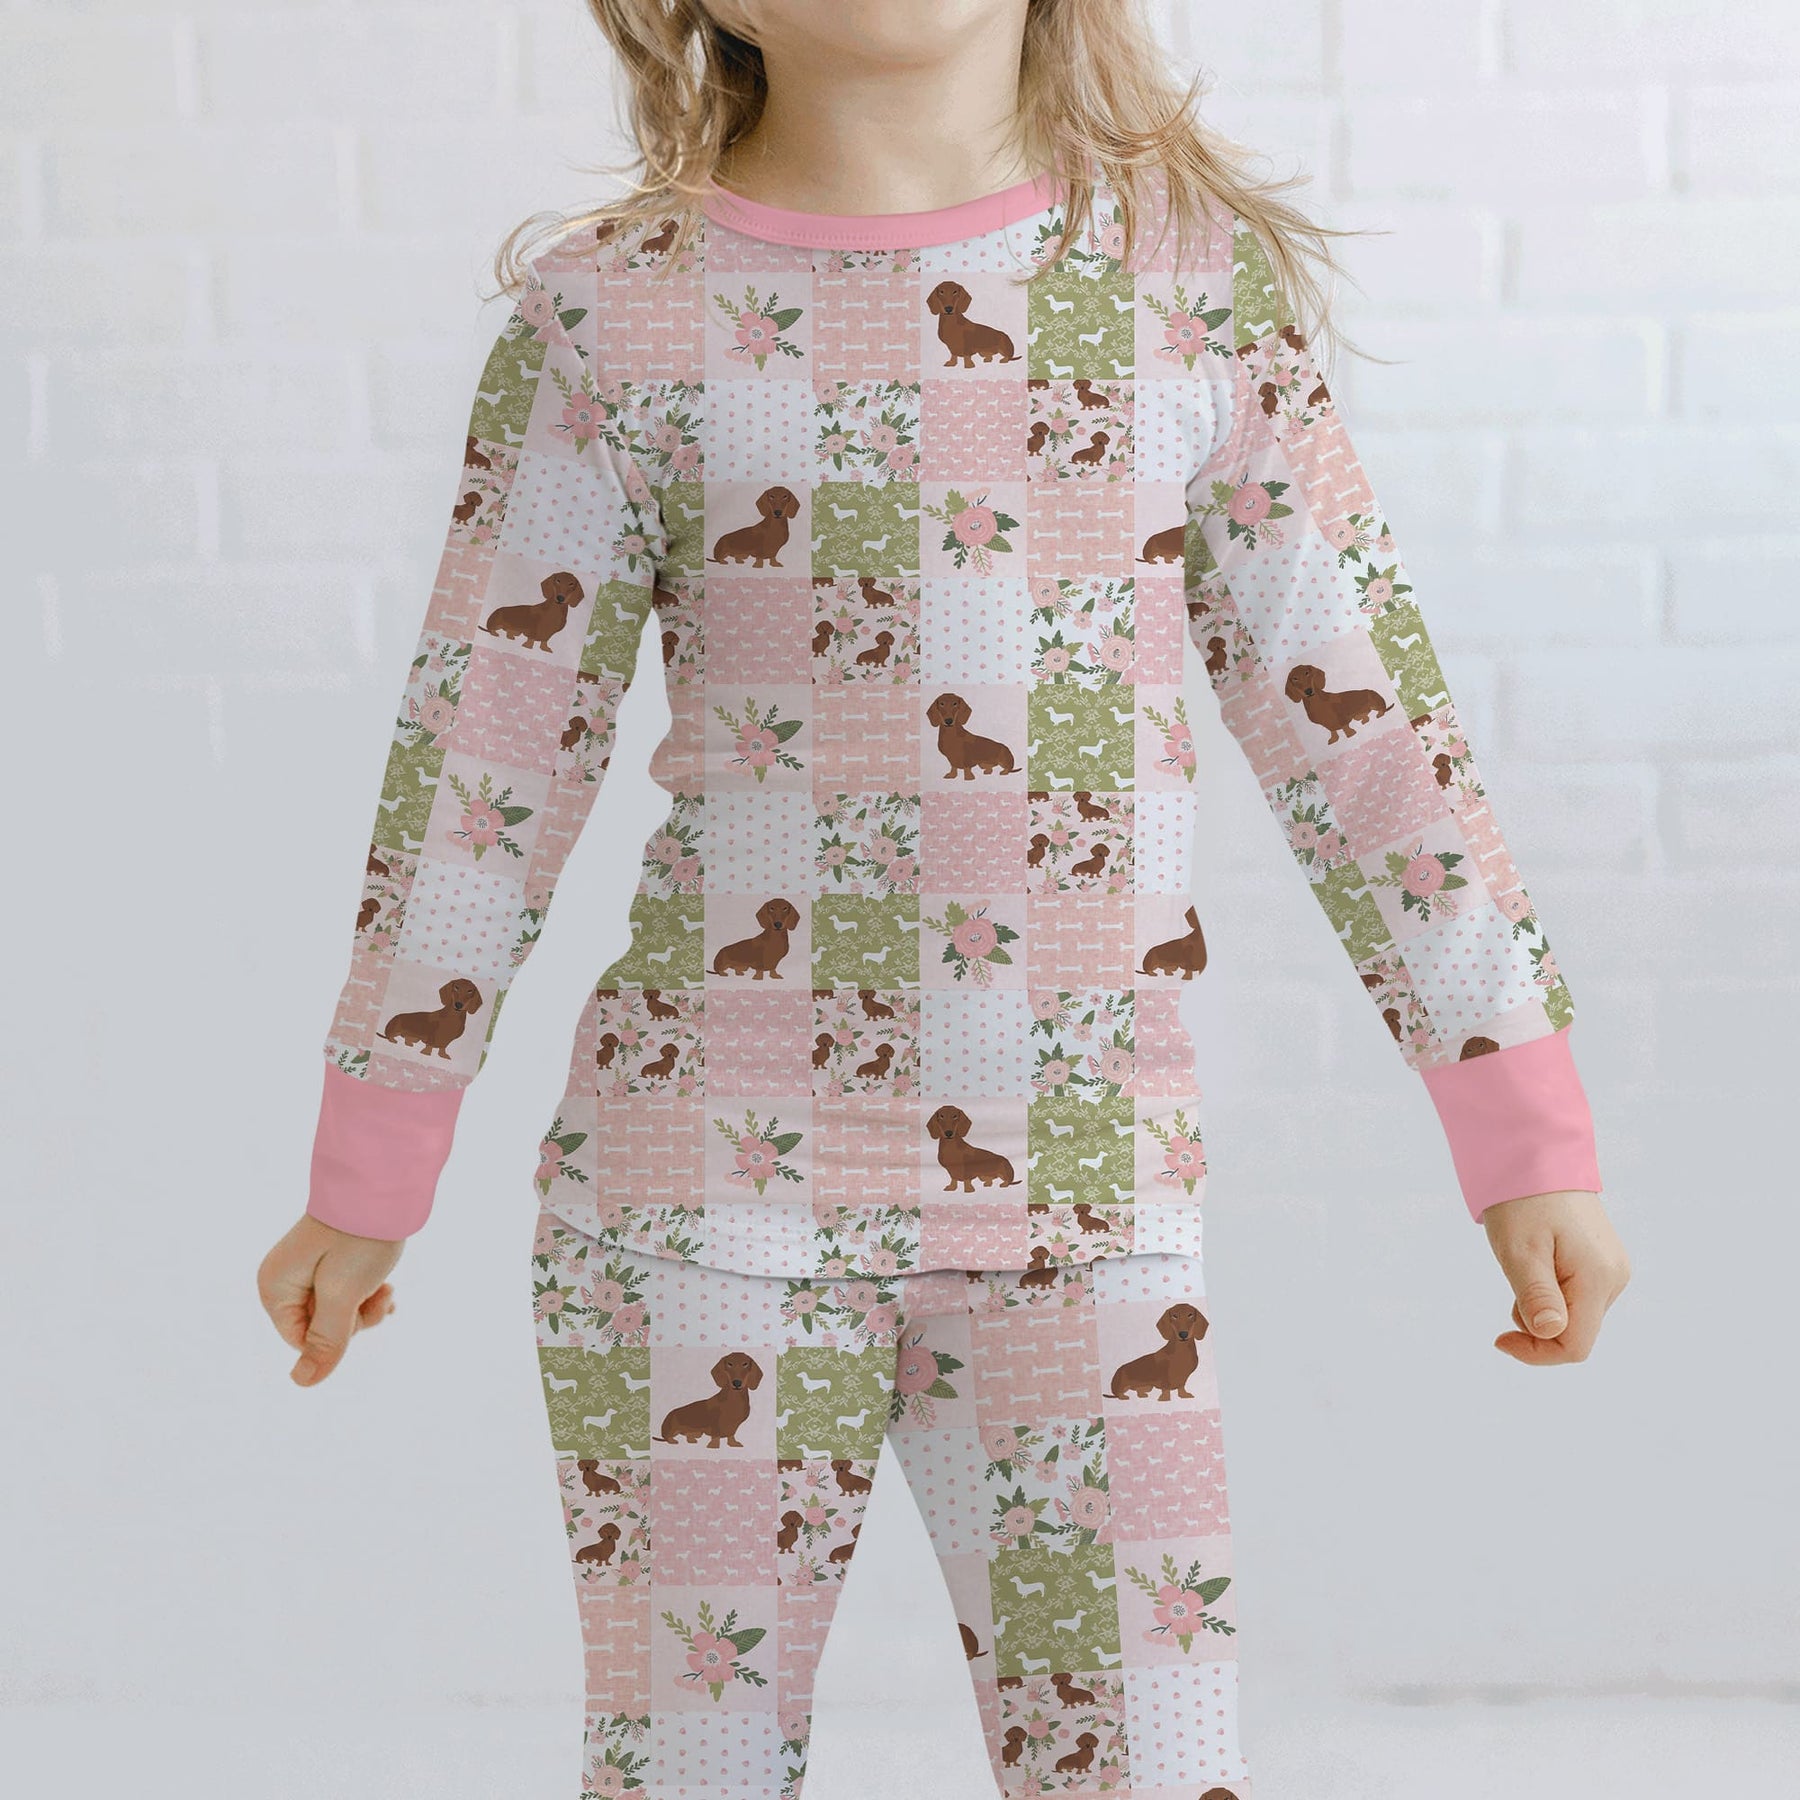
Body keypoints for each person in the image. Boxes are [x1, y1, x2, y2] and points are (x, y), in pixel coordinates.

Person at [257, 2, 1632, 1793]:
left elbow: (1362, 733)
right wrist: (372, 1161)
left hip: (1089, 1202)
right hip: (700, 1210)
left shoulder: (1183, 290)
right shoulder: (611, 318)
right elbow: (485, 766)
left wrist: (1523, 1130)